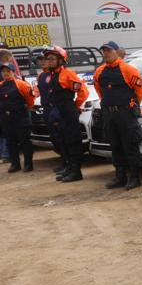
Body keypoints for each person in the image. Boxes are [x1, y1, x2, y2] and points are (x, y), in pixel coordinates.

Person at [93, 41, 142, 190]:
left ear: (117, 52)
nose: (106, 53)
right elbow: (100, 91)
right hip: (110, 114)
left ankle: (135, 177)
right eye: (104, 51)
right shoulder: (100, 71)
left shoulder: (128, 69)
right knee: (115, 146)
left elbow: (140, 91)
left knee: (130, 145)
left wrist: (131, 105)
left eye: (109, 50)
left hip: (126, 114)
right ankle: (120, 176)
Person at [37, 46, 88, 183]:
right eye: (48, 59)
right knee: (63, 140)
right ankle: (70, 168)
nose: (49, 61)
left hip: (67, 110)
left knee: (72, 141)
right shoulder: (51, 75)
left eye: (52, 59)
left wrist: (75, 106)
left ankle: (76, 172)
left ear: (61, 60)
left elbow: (83, 92)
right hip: (57, 111)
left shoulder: (68, 74)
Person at [0, 64, 37, 173]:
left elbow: (30, 99)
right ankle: (15, 164)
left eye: (8, 71)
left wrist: (24, 109)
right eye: (3, 71)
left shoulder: (22, 85)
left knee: (25, 140)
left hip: (20, 117)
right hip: (6, 118)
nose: (5, 73)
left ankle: (28, 164)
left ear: (13, 72)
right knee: (10, 141)